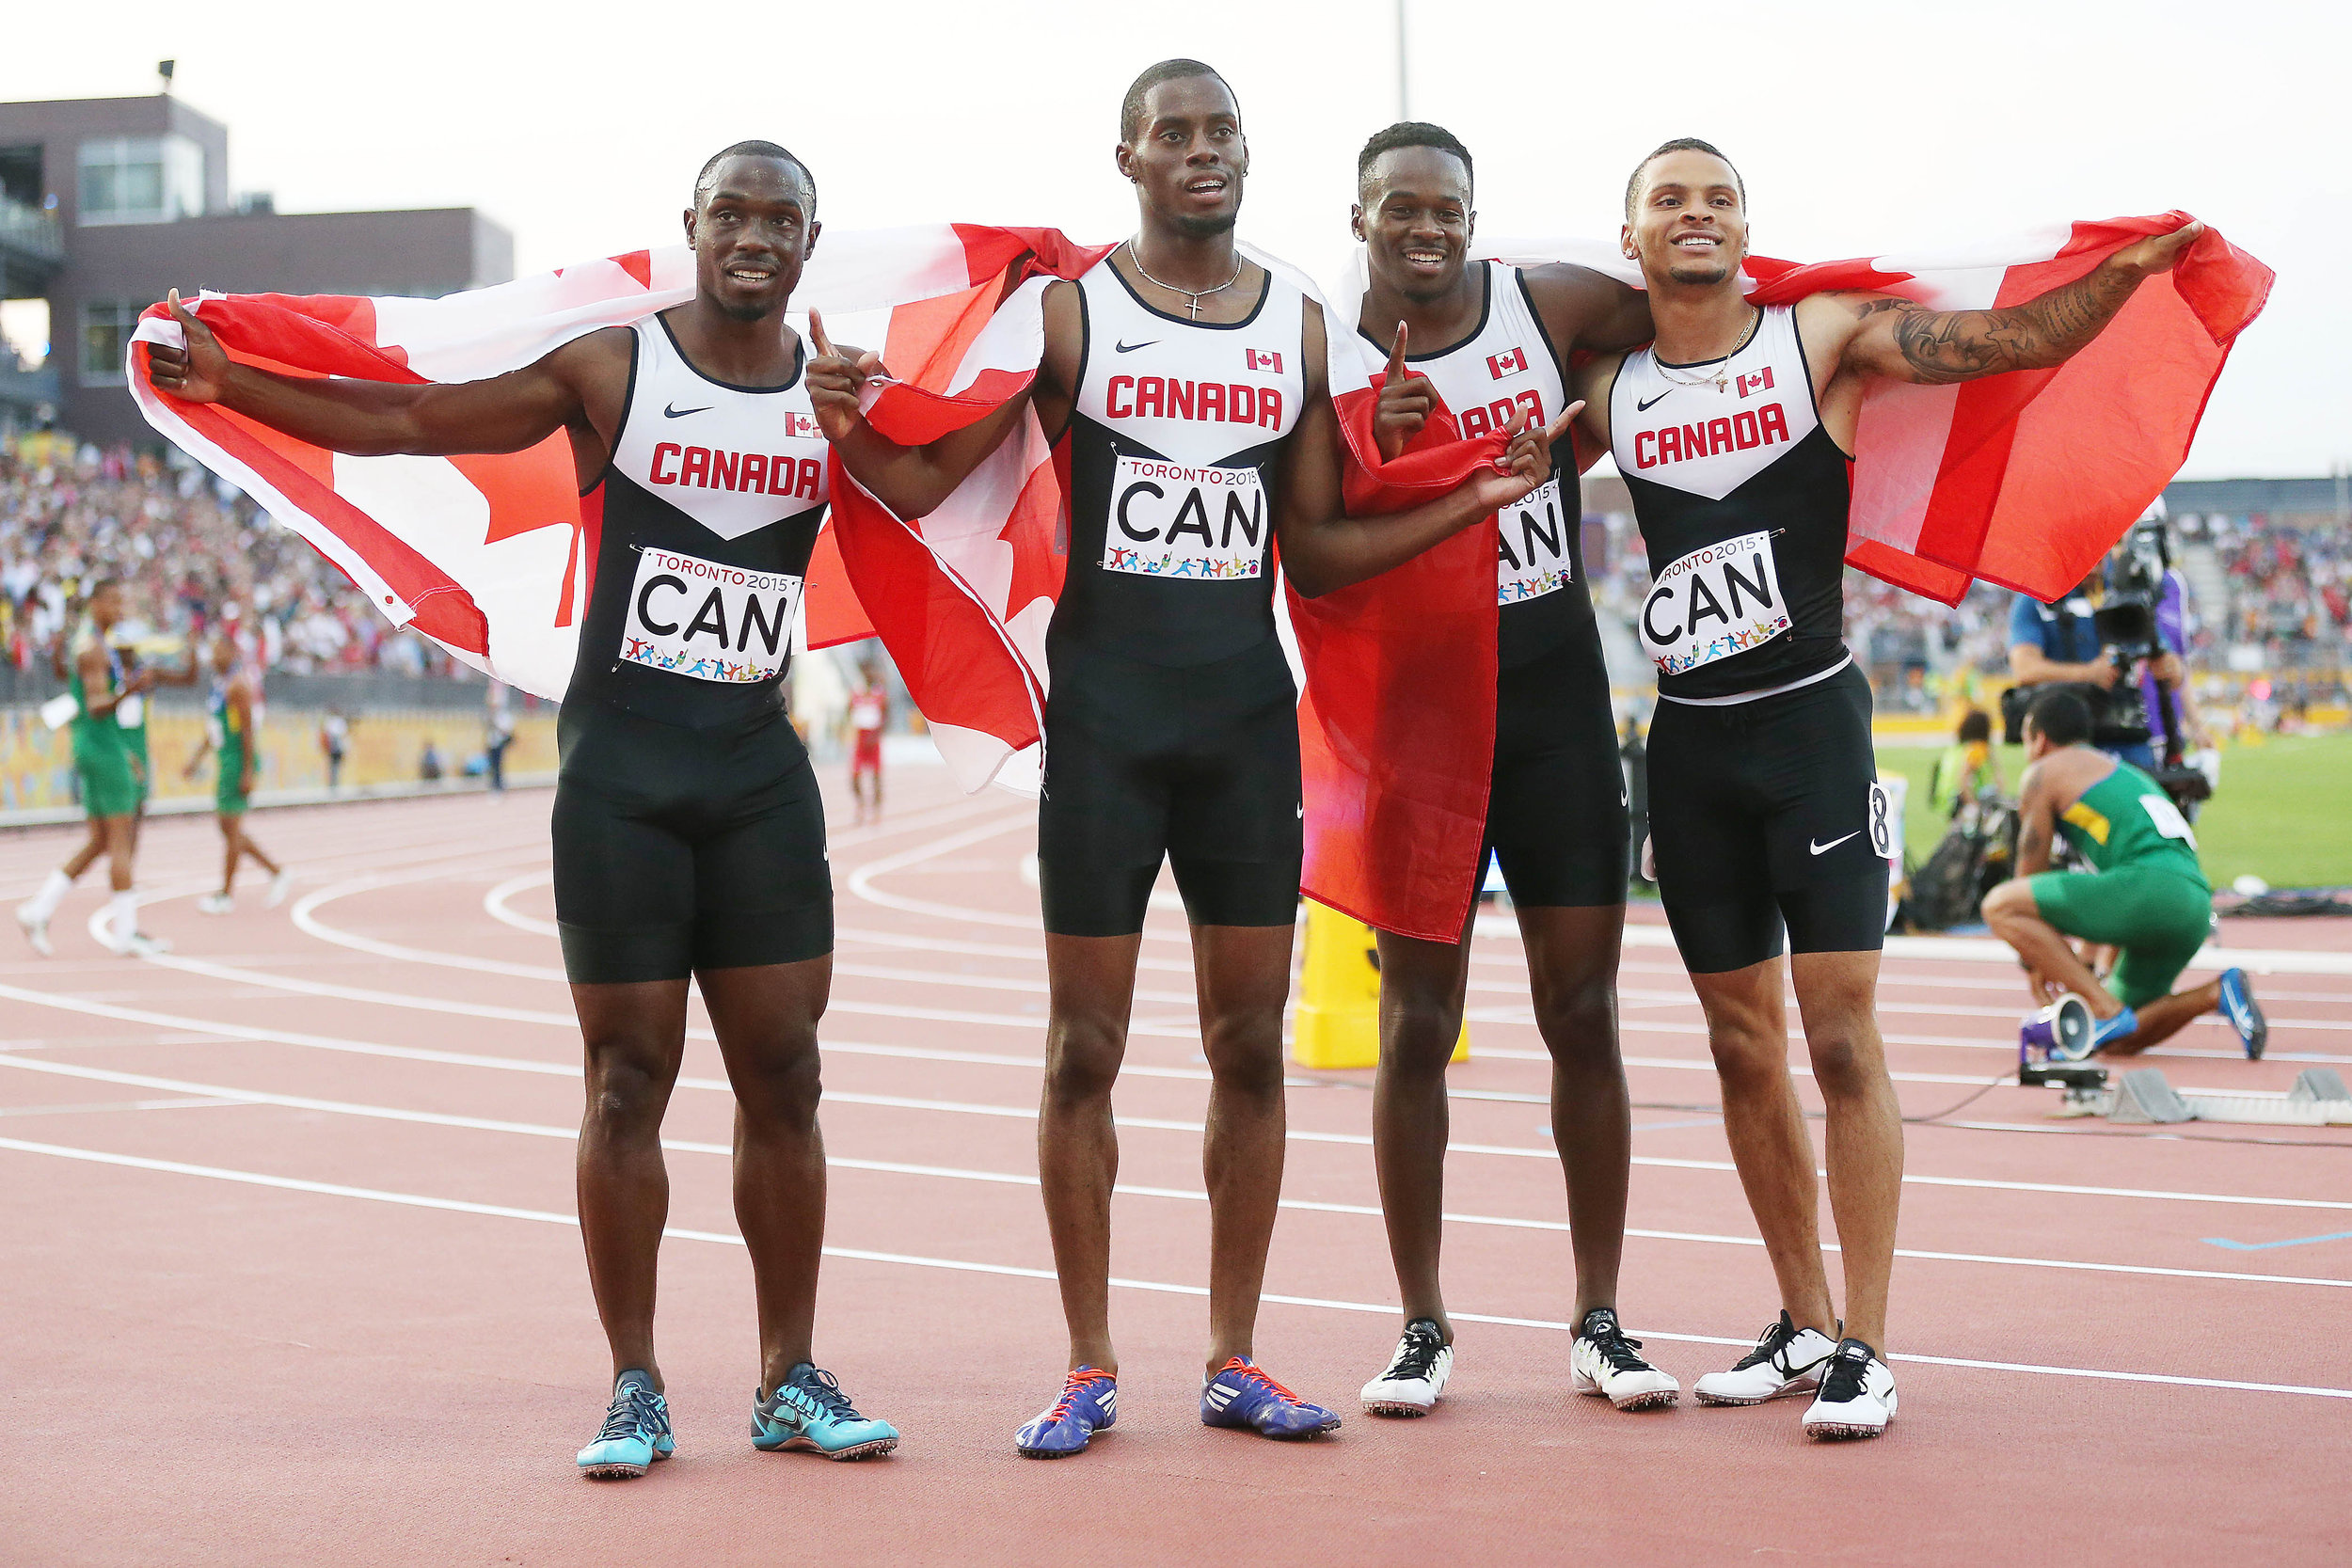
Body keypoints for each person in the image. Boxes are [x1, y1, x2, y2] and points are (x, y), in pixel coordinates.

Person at [807, 60, 1561, 1457]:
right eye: (1175, 133)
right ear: (1129, 159)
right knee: (1082, 1048)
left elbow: (1321, 552)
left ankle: (1233, 1352)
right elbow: (919, 481)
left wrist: (1472, 497)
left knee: (1248, 1049)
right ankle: (1089, 1361)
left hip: (1234, 726)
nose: (1202, 152)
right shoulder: (1072, 318)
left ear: (1247, 156)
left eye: (1222, 132)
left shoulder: (1304, 330)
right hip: (1106, 730)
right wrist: (851, 420)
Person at [146, 140, 901, 1478]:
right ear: (694, 226)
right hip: (622, 774)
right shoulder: (617, 368)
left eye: (778, 218)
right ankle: (635, 1383)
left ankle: (789, 1373)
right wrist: (237, 385)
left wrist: (875, 428)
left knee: (787, 1071)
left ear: (807, 241)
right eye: (730, 211)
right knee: (627, 1080)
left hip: (755, 774)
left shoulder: (834, 390)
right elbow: (404, 424)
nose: (752, 235)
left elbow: (943, 499)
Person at [1566, 137, 2201, 1439]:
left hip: (1812, 732)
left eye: (1719, 197)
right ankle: (1799, 1317)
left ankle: (1868, 1338)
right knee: (1741, 1045)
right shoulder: (1609, 384)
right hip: (1688, 746)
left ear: (1748, 226)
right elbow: (1489, 447)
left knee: (1841, 1034)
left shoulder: (1821, 339)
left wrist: (2121, 277)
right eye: (1669, 200)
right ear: (1630, 238)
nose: (1697, 214)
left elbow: (2005, 340)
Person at [1337, 123, 1676, 1419]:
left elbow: (1690, 311)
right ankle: (1421, 1320)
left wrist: (1584, 428)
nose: (1428, 232)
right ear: (1358, 215)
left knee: (1580, 1009)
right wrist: (1372, 432)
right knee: (1416, 1019)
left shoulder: (1544, 304)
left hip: (1551, 694)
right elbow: (1310, 537)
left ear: (1476, 216)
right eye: (1401, 211)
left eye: (1448, 212)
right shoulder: (1322, 349)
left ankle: (1600, 1313)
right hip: (1418, 707)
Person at [1980, 689, 2264, 1057]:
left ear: (2040, 739)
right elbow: (2116, 886)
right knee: (2116, 1040)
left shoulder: (2042, 773)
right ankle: (2215, 992)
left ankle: (2103, 1008)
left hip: (2148, 889)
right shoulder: (2123, 773)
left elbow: (2028, 878)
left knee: (1999, 905)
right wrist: (2084, 964)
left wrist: (2036, 959)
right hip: (2191, 902)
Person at [14, 580, 172, 957]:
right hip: (100, 747)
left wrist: (123, 748)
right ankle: (125, 933)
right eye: (115, 602)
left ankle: (38, 909)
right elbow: (98, 704)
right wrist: (132, 689)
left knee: (101, 840)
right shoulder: (92, 649)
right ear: (97, 603)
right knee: (121, 837)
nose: (120, 610)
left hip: (101, 745)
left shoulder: (95, 645)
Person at [182, 636, 290, 913]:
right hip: (227, 760)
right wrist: (195, 760)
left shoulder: (238, 685)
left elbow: (248, 731)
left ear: (231, 652)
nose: (213, 657)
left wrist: (247, 771)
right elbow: (214, 728)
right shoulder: (221, 684)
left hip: (237, 762)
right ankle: (276, 872)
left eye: (218, 651)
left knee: (231, 830)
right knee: (229, 829)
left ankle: (226, 895)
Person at [1928, 707, 2004, 818]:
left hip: (1943, 800)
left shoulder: (1956, 748)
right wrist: (1973, 805)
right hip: (1958, 801)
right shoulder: (1977, 749)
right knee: (1991, 792)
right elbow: (1963, 779)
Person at [847, 663, 885, 826]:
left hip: (874, 738)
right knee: (854, 777)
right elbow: (848, 711)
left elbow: (885, 715)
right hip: (860, 738)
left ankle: (876, 811)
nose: (870, 674)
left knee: (876, 777)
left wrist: (877, 734)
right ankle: (860, 805)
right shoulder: (856, 693)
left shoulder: (880, 694)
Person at [485, 694, 516, 793]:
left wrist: (496, 725)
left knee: (498, 765)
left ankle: (499, 786)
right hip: (491, 743)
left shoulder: (503, 716)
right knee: (492, 766)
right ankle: (494, 785)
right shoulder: (490, 715)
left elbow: (506, 730)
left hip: (499, 743)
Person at [319, 708, 349, 789]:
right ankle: (334, 783)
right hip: (336, 748)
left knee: (333, 766)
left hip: (333, 748)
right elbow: (342, 735)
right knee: (335, 766)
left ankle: (333, 783)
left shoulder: (330, 722)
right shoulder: (338, 722)